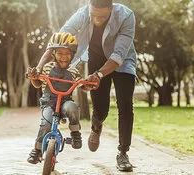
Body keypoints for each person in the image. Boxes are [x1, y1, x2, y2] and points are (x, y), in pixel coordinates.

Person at [34, 0, 137, 172]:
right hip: (96, 60)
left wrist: (99, 75)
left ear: (112, 9)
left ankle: (123, 153)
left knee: (125, 105)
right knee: (101, 108)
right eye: (94, 15)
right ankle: (97, 125)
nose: (97, 20)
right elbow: (57, 42)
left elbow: (119, 54)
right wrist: (38, 68)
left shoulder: (126, 16)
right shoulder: (82, 15)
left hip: (123, 62)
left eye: (102, 16)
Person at [26, 32, 96, 164]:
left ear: (72, 54)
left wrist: (89, 85)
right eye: (60, 53)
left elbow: (82, 85)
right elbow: (37, 84)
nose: (64, 57)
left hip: (65, 102)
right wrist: (34, 78)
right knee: (46, 124)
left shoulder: (73, 71)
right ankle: (37, 150)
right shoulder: (47, 68)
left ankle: (75, 134)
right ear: (53, 54)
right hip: (48, 103)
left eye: (67, 53)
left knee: (72, 107)